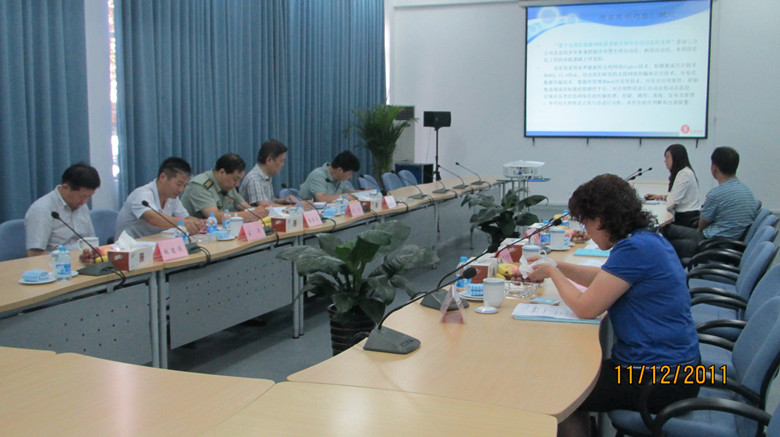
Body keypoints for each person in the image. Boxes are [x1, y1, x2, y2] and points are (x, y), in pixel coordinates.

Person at [527, 174, 700, 437]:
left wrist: (553, 273)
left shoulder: (634, 249)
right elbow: (605, 280)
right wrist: (557, 265)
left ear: (599, 220)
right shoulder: (646, 240)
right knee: (572, 376)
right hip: (677, 369)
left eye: (585, 223)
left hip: (660, 378)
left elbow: (585, 308)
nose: (586, 231)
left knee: (562, 391)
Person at [662, 146, 757, 259]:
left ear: (714, 168)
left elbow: (702, 225)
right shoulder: (747, 191)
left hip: (711, 244)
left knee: (665, 244)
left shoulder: (716, 194)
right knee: (667, 229)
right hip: (727, 242)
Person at [114, 157, 205, 239]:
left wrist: (199, 223)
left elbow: (186, 218)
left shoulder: (172, 197)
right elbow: (154, 219)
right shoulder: (142, 194)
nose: (181, 190)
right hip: (129, 247)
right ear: (163, 177)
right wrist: (184, 223)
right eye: (179, 184)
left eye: (184, 186)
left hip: (153, 244)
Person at [25, 163, 101, 257]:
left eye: (89, 197)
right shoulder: (42, 209)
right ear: (65, 188)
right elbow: (34, 253)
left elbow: (91, 242)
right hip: (57, 263)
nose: (85, 201)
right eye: (82, 196)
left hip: (83, 262)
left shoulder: (82, 205)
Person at [181, 153, 267, 223]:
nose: (237, 184)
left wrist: (260, 211)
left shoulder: (228, 185)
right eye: (235, 179)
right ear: (222, 172)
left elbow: (244, 206)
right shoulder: (200, 185)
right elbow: (215, 216)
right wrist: (250, 214)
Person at [644, 144, 700, 228]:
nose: (665, 161)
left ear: (676, 158)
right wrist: (660, 197)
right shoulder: (684, 172)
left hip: (686, 220)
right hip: (685, 218)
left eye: (667, 158)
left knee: (659, 228)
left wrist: (656, 209)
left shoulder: (684, 174)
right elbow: (677, 196)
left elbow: (672, 202)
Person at [239, 139, 298, 206]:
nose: (282, 165)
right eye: (281, 161)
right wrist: (291, 208)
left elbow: (268, 201)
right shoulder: (254, 179)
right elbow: (264, 205)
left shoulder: (265, 176)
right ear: (269, 160)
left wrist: (284, 201)